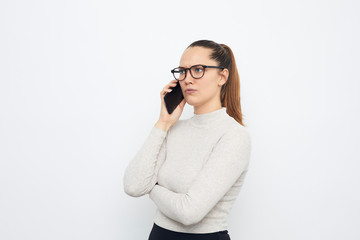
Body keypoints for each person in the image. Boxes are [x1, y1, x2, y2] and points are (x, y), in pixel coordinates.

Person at [123, 39, 252, 240]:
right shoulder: (174, 129)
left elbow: (189, 212)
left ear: (222, 76)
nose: (187, 79)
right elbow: (133, 185)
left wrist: (151, 188)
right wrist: (163, 123)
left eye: (198, 70)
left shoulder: (233, 135)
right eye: (183, 71)